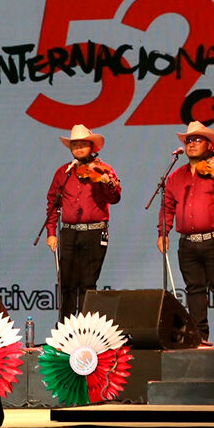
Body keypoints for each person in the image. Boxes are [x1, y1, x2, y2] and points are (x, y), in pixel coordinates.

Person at [156, 122, 214, 346]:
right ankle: (200, 333)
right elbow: (167, 207)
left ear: (209, 145)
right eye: (188, 141)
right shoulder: (175, 177)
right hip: (187, 243)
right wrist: (163, 232)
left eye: (197, 140)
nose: (191, 144)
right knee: (194, 289)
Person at [45, 124, 122, 320]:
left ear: (92, 147)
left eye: (83, 145)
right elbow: (53, 202)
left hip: (94, 232)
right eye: (75, 145)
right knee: (67, 284)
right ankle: (66, 331)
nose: (78, 149)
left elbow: (115, 198)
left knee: (88, 284)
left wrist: (106, 182)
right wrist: (51, 231)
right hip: (69, 232)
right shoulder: (63, 172)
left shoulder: (104, 170)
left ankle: (87, 331)